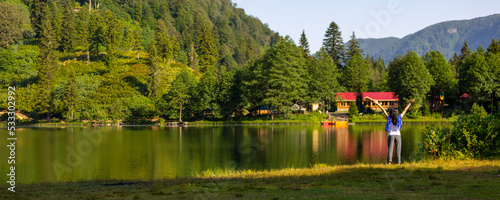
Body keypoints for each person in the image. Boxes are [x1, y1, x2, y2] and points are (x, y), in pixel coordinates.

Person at [364, 97, 415, 165]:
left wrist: (377, 104)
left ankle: (389, 163)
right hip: (398, 135)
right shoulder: (399, 117)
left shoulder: (389, 118)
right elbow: (405, 110)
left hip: (390, 135)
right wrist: (410, 103)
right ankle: (398, 163)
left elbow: (382, 109)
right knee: (398, 150)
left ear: (391, 113)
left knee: (390, 150)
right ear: (397, 114)